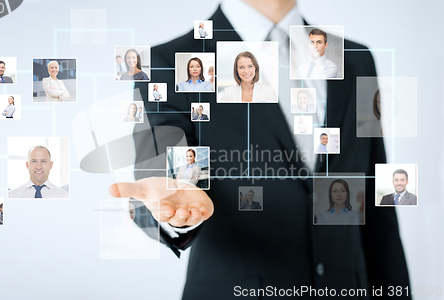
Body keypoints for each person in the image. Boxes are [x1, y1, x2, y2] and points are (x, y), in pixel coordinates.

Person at [112, 0, 410, 298]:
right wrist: (171, 207)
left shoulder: (355, 59)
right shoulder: (169, 61)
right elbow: (163, 176)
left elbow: (377, 206)